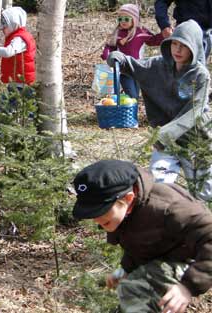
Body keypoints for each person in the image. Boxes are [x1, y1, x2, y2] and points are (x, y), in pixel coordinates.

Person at [72, 159, 212, 313]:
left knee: (134, 289)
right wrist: (126, 269)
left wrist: (188, 287)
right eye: (92, 213)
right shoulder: (125, 211)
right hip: (166, 258)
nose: (96, 219)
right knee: (130, 288)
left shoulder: (170, 209)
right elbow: (139, 243)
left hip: (195, 260)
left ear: (127, 198)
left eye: (100, 210)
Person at [107, 19, 212, 201]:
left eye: (184, 46)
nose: (177, 50)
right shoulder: (157, 65)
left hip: (196, 140)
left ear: (194, 48)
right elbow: (132, 66)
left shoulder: (200, 75)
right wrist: (118, 58)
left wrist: (163, 135)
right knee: (160, 189)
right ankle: (168, 225)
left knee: (204, 193)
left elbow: (193, 113)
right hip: (165, 143)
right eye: (175, 44)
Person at [101, 4, 163, 99]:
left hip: (138, 68)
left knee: (136, 95)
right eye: (120, 19)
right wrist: (106, 54)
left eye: (126, 19)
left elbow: (153, 41)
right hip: (124, 69)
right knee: (132, 95)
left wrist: (164, 35)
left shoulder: (141, 32)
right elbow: (110, 46)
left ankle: (131, 111)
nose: (123, 22)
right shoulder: (118, 33)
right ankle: (127, 108)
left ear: (134, 19)